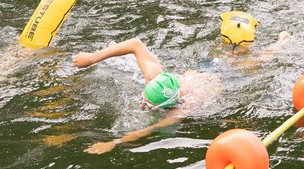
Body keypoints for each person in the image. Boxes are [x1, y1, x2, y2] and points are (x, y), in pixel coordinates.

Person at [70, 38, 222, 153]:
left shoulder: (179, 111)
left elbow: (147, 130)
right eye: (143, 98)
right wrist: (92, 58)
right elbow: (135, 44)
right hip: (201, 68)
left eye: (148, 105)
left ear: (169, 106)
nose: (142, 105)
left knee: (225, 58)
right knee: (215, 54)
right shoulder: (154, 77)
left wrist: (113, 143)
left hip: (222, 75)